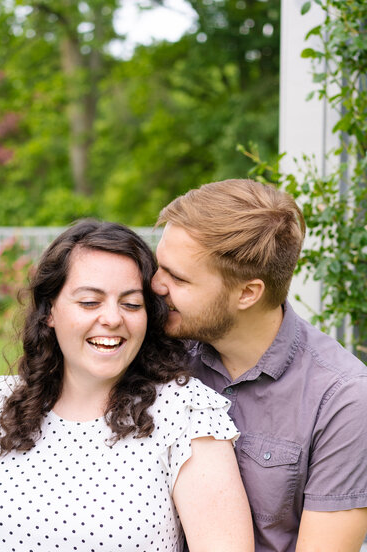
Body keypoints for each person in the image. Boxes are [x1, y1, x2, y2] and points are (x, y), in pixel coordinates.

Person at [0, 219, 254, 552]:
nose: (113, 318)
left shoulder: (186, 414)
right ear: (50, 311)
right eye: (90, 302)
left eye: (131, 304)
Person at [151, 179, 367, 552]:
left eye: (178, 278)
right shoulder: (158, 352)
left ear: (247, 293)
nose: (155, 284)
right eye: (159, 266)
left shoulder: (343, 400)